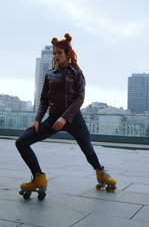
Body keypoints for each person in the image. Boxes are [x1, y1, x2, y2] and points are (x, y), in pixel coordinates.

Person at [15, 33, 117, 198]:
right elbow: (43, 101)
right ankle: (38, 178)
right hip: (54, 119)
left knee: (88, 150)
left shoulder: (77, 73)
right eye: (54, 53)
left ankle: (101, 173)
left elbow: (79, 98)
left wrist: (65, 118)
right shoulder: (50, 75)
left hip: (74, 118)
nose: (56, 56)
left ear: (68, 54)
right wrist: (37, 120)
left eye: (59, 53)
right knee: (21, 142)